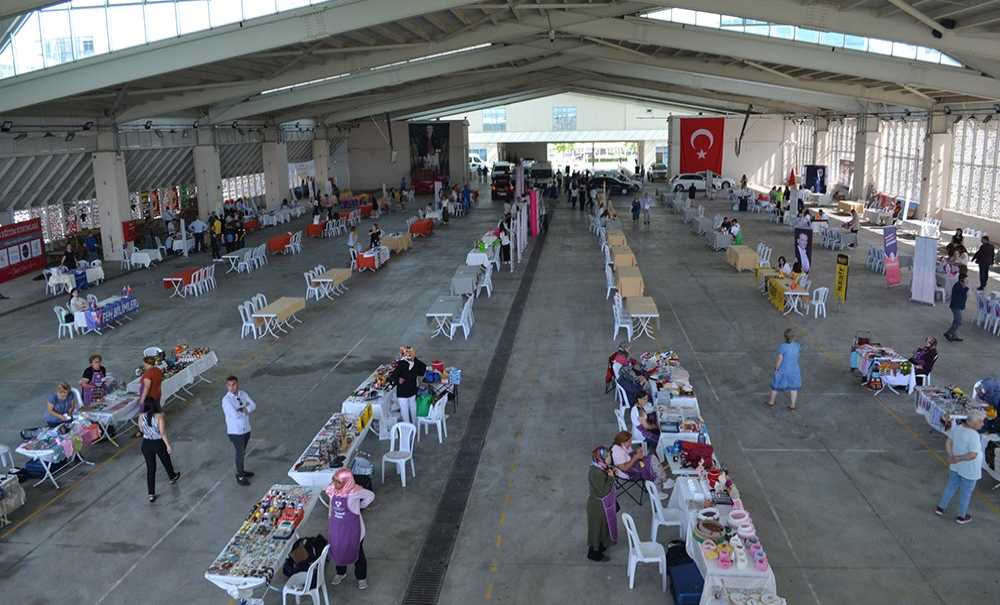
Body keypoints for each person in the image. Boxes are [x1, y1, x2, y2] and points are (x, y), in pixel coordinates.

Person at [935, 409, 986, 524]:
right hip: (969, 469)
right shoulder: (974, 435)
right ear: (973, 422)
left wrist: (951, 456)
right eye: (981, 421)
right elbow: (972, 455)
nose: (983, 424)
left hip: (956, 467)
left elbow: (948, 442)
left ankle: (940, 508)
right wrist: (957, 458)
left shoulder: (958, 428)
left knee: (950, 487)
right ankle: (961, 516)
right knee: (966, 493)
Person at [327, 468, 375, 590]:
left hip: (355, 531)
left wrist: (360, 506)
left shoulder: (355, 492)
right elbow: (331, 507)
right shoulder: (332, 490)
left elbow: (370, 495)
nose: (334, 483)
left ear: (346, 481)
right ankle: (341, 573)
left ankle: (361, 577)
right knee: (339, 551)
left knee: (358, 553)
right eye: (334, 480)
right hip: (337, 529)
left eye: (338, 481)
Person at [139, 398, 180, 502]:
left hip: (146, 443)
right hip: (157, 443)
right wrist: (168, 445)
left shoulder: (141, 416)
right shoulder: (159, 417)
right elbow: (162, 433)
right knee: (166, 460)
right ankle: (172, 476)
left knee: (151, 469)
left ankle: (151, 494)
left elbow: (141, 429)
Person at [221, 376, 256, 487]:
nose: (232, 387)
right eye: (229, 385)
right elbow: (235, 415)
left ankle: (242, 471)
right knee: (240, 453)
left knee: (242, 452)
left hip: (246, 428)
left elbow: (253, 405)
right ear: (227, 386)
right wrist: (245, 408)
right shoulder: (226, 400)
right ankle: (240, 475)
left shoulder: (243, 394)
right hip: (235, 432)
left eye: (234, 384)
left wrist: (242, 409)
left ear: (237, 384)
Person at [587, 446, 616, 562]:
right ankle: (594, 553)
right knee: (596, 529)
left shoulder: (599, 467)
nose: (610, 458)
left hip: (599, 505)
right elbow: (603, 491)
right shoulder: (597, 473)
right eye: (608, 456)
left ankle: (601, 546)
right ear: (602, 459)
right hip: (597, 506)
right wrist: (611, 478)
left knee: (602, 527)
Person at [389, 346, 426, 425]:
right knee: (412, 408)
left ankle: (408, 427)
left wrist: (398, 380)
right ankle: (414, 425)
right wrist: (415, 359)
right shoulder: (414, 363)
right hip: (411, 390)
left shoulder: (402, 363)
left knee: (405, 410)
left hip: (403, 392)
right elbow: (423, 370)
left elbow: (392, 377)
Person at [767, 328, 801, 410]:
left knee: (775, 386)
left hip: (783, 370)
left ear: (785, 337)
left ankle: (771, 402)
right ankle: (792, 405)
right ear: (794, 337)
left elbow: (780, 359)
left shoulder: (783, 346)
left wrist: (776, 369)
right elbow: (797, 356)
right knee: (794, 388)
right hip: (794, 369)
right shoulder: (797, 345)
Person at [945, 273, 969, 342]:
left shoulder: (960, 285)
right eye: (966, 280)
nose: (967, 281)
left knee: (956, 321)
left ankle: (954, 335)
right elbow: (963, 293)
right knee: (958, 321)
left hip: (959, 306)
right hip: (956, 307)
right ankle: (948, 333)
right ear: (962, 280)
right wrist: (966, 287)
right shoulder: (958, 286)